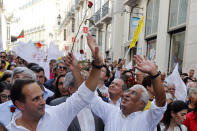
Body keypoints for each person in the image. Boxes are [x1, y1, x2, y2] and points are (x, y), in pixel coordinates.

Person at [7, 33, 103, 131]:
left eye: (41, 96)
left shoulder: (56, 114)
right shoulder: (9, 129)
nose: (43, 102)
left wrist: (98, 64)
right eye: (36, 99)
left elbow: (84, 95)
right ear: (20, 104)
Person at [70, 52, 167, 130]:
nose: (126, 94)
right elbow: (88, 94)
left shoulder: (147, 118)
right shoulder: (111, 112)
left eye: (133, 93)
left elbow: (160, 103)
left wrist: (154, 73)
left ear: (141, 103)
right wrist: (75, 70)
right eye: (127, 91)